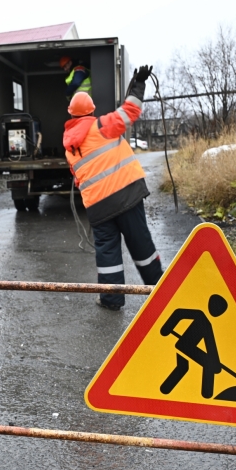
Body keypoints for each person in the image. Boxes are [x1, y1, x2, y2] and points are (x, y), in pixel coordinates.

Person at [62, 65, 161, 310]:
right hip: (127, 196)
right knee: (141, 245)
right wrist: (139, 83)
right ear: (92, 110)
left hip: (98, 207)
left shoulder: (69, 147)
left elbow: (78, 176)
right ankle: (159, 289)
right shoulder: (102, 126)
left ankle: (111, 299)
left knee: (107, 254)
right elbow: (130, 111)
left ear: (71, 114)